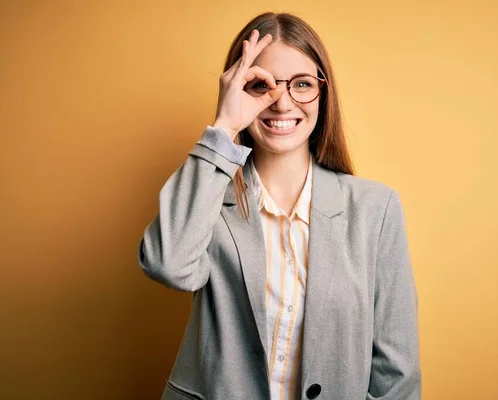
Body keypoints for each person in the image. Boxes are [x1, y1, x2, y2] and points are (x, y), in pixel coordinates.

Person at [137, 12, 421, 400]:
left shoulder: (376, 209)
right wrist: (224, 125)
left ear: (323, 92)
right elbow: (166, 264)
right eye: (261, 85)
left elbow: (397, 372)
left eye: (302, 84)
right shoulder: (207, 200)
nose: (282, 102)